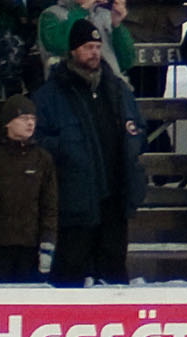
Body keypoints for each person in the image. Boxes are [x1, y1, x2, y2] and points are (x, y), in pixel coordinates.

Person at [33, 30, 142, 282]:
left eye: (97, 46)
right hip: (75, 199)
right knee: (70, 274)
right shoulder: (51, 94)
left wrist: (134, 144)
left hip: (115, 196)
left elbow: (138, 127)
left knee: (114, 276)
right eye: (87, 47)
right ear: (73, 51)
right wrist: (68, 149)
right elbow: (38, 139)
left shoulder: (116, 88)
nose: (94, 52)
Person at [0, 100, 54, 281]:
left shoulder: (43, 159)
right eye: (23, 118)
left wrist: (47, 244)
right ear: (8, 123)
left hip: (31, 249)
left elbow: (49, 206)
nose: (30, 123)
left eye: (33, 118)